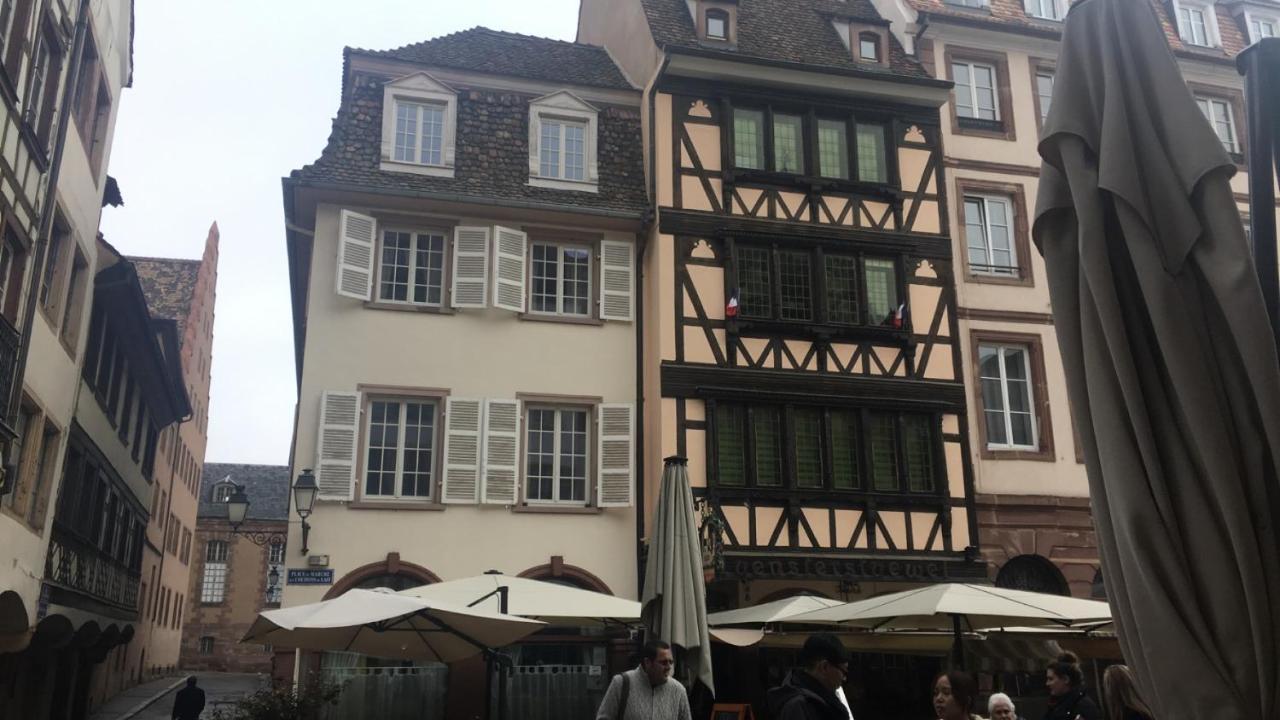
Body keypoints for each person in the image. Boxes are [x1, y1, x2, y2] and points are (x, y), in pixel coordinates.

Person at [595, 639, 692, 720]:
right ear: (647, 662)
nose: (669, 667)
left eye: (671, 662)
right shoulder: (621, 683)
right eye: (663, 662)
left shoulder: (678, 690)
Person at [767, 633, 852, 720]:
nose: (844, 678)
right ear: (824, 667)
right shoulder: (798, 707)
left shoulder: (818, 699)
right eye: (843, 671)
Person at [1043, 652, 1102, 720]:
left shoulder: (1083, 707)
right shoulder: (1056, 704)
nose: (1047, 683)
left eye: (1051, 679)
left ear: (1066, 679)